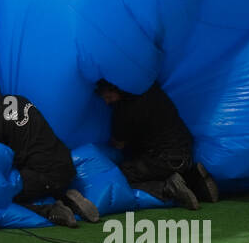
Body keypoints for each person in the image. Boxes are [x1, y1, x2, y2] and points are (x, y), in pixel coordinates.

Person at [0, 75, 100, 228]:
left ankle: (51, 211)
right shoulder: (21, 100)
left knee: (3, 195)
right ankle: (66, 197)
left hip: (44, 174)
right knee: (37, 174)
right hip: (66, 166)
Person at [94, 79, 219, 210]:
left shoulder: (122, 109)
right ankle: (195, 180)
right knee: (158, 164)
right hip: (186, 153)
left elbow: (118, 144)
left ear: (117, 89)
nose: (107, 102)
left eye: (108, 97)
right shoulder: (152, 88)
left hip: (161, 160)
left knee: (120, 177)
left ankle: (167, 188)